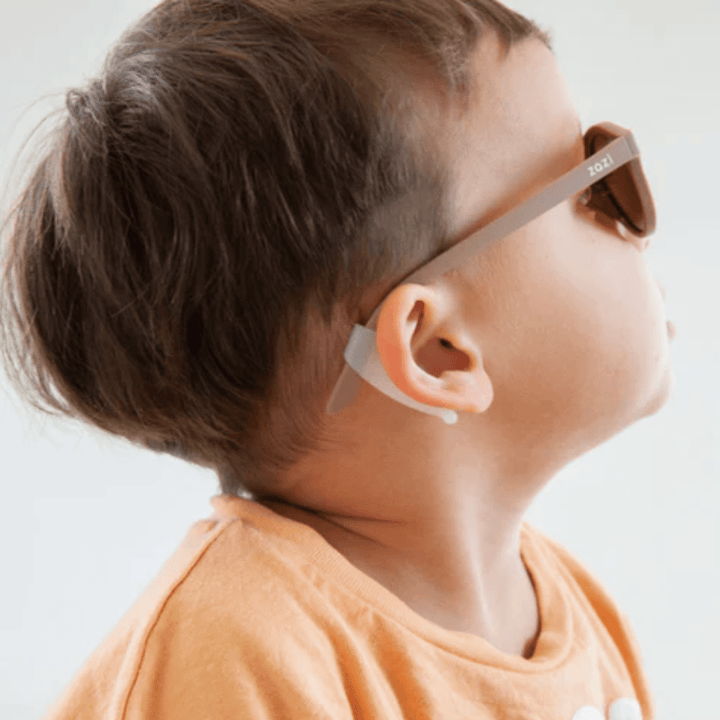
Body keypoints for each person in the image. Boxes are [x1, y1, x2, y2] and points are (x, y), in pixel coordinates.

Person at [0, 0, 672, 718]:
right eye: (593, 182)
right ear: (436, 350)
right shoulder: (234, 658)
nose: (635, 215)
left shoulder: (572, 610)